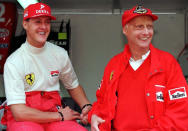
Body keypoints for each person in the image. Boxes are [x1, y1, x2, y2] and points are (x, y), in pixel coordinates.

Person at [88, 5, 188, 131]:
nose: (146, 32)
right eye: (139, 27)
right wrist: (94, 115)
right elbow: (102, 101)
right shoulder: (114, 64)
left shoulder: (168, 63)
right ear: (125, 30)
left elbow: (181, 110)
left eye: (149, 26)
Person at [1, 2, 92, 131]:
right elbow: (19, 112)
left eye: (47, 22)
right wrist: (59, 115)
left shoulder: (60, 54)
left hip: (53, 111)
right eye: (38, 22)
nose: (43, 27)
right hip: (26, 118)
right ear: (25, 24)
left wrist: (86, 106)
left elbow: (73, 86)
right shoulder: (14, 62)